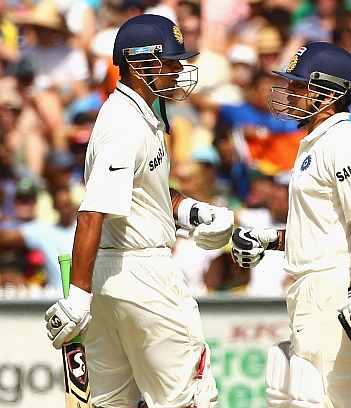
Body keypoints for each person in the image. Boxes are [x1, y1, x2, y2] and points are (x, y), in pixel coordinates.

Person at [44, 14, 234, 408]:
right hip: (142, 275)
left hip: (111, 281)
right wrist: (78, 297)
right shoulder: (123, 124)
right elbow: (92, 211)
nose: (180, 70)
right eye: (171, 61)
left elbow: (147, 191)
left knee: (111, 403)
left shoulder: (140, 116)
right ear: (140, 63)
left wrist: (193, 213)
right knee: (188, 399)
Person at [231, 42, 351, 408]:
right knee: (302, 392)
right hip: (313, 285)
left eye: (300, 84)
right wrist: (268, 239)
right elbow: (321, 228)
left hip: (335, 288)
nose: (290, 91)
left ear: (329, 92)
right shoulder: (314, 144)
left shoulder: (344, 142)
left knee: (329, 397)